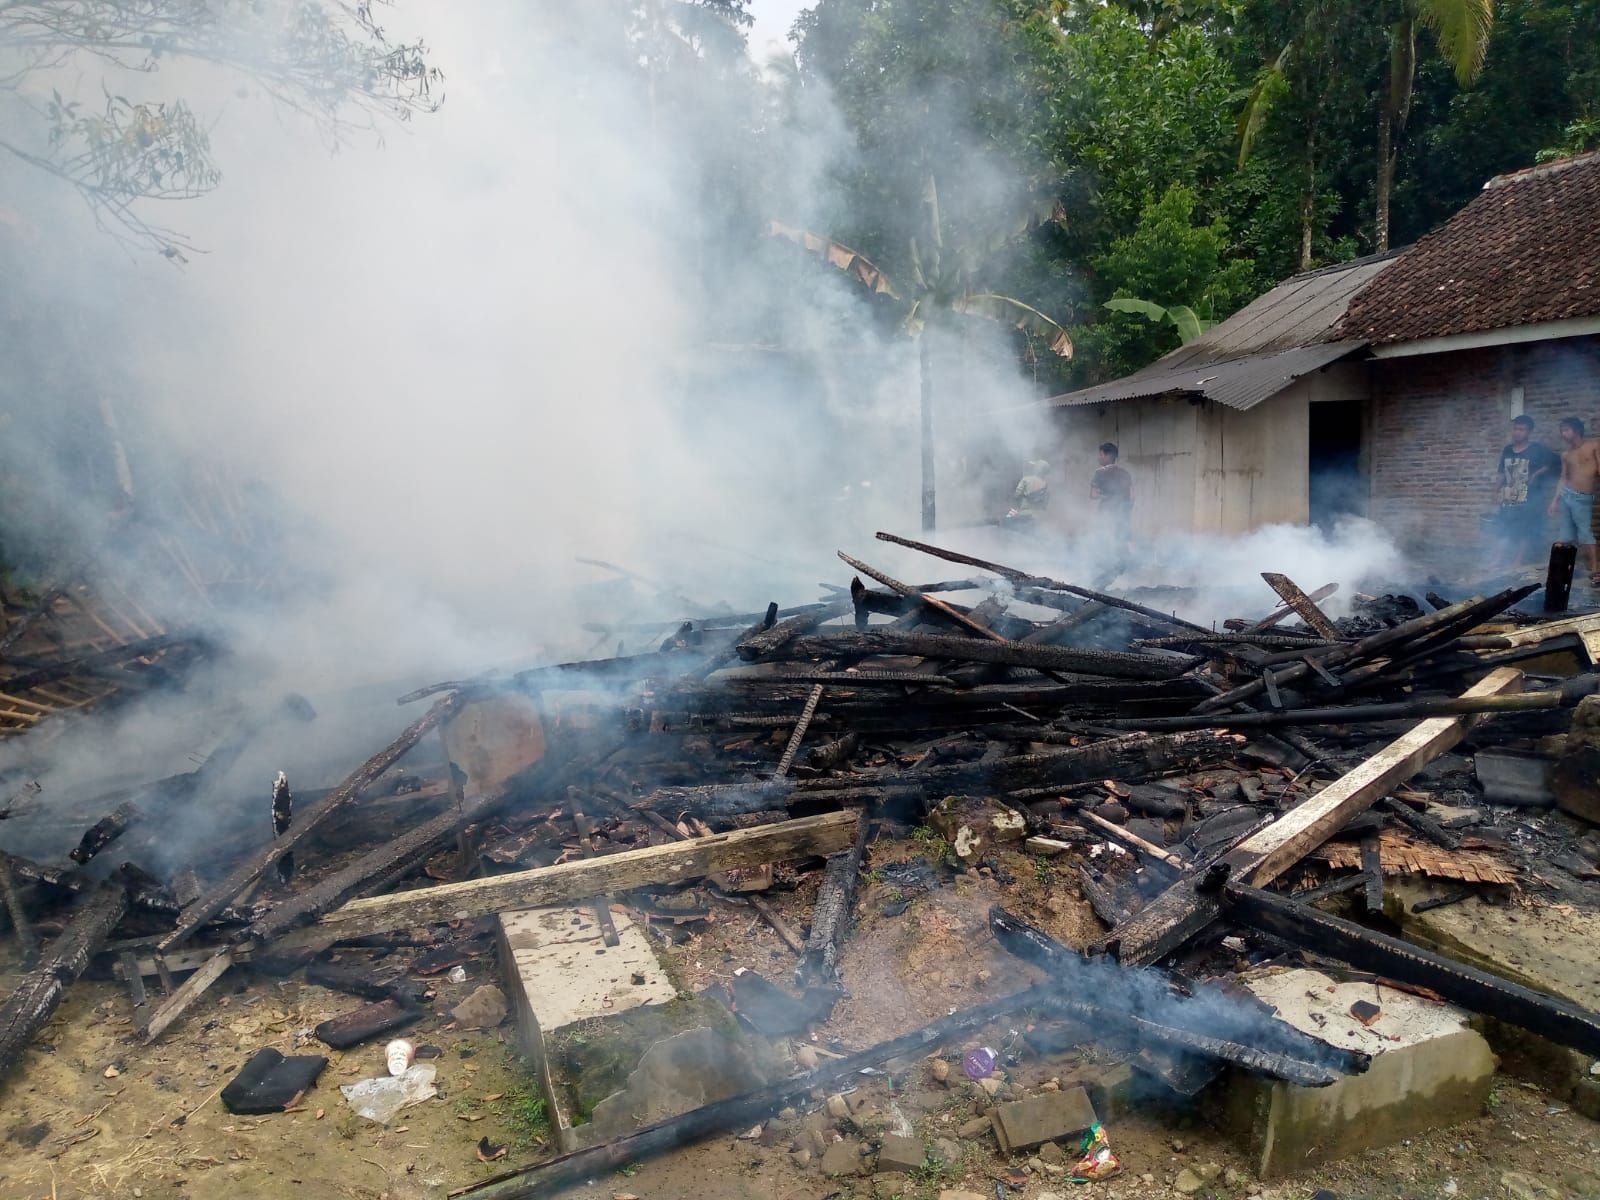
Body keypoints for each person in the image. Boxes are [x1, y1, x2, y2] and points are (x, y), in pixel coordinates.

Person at [1492, 415, 1560, 567]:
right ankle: (1497, 560)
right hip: (1509, 496)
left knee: (1525, 530)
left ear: (1529, 432)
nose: (1517, 432)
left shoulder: (1537, 449)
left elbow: (1556, 462)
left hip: (1530, 498)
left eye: (1521, 430)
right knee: (1504, 528)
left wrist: (1538, 473)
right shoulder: (1508, 450)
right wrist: (1495, 491)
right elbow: (1501, 472)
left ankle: (1518, 561)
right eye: (1515, 429)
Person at [1549, 416, 1600, 584]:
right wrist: (1555, 500)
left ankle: (1596, 570)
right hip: (1567, 496)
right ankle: (1561, 570)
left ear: (1576, 430)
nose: (1563, 434)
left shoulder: (1593, 445)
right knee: (1564, 535)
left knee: (1585, 534)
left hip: (1583, 498)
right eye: (1562, 431)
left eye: (1565, 430)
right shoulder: (1566, 455)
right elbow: (1563, 478)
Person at [1090, 442, 1133, 535]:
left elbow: (1093, 495)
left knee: (1105, 541)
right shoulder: (1125, 473)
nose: (1099, 458)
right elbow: (1129, 496)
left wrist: (1105, 496)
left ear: (1107, 456)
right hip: (1123, 515)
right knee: (1121, 541)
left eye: (1101, 455)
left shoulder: (1099, 473)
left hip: (1106, 513)